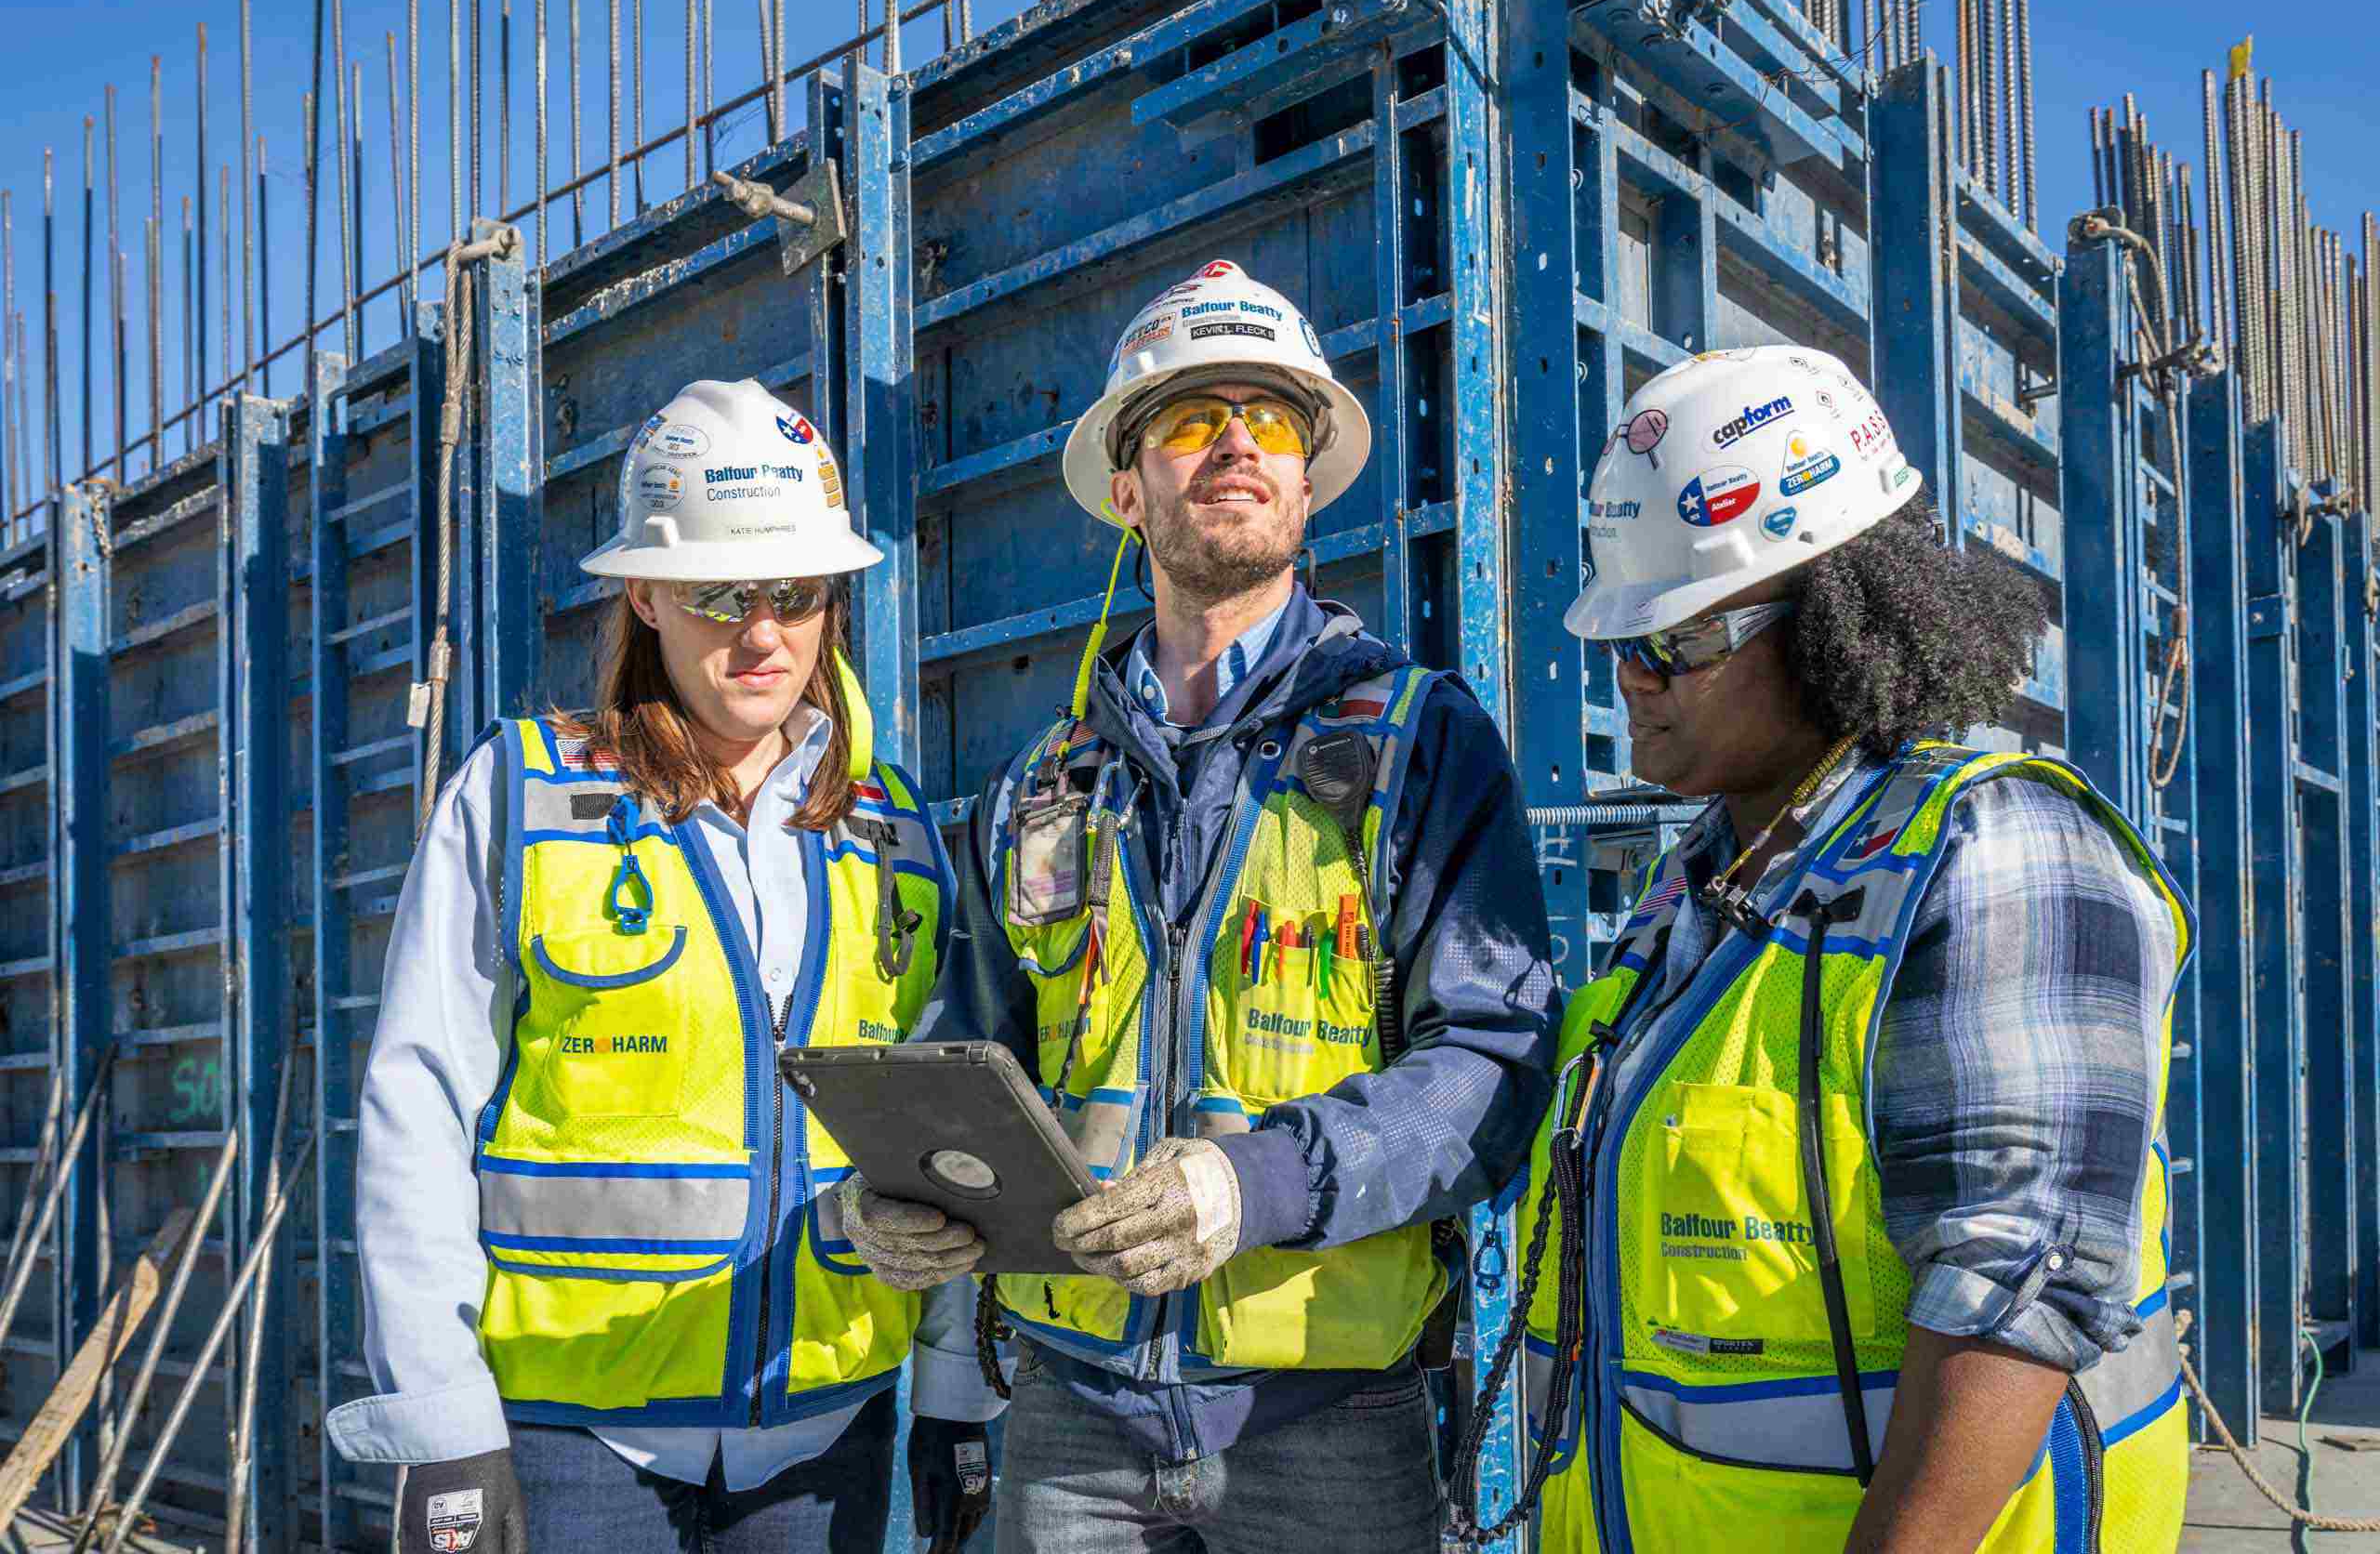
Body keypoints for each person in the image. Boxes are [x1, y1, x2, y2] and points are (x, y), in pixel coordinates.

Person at [833, 260, 1560, 1554]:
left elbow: (1496, 1066)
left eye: (1271, 419)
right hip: (1069, 1421)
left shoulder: (1418, 743)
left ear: (1306, 479)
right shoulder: (1041, 785)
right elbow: (978, 1064)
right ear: (1128, 488)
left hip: (1329, 1422)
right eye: (1187, 419)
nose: (1234, 441)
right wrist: (911, 1200)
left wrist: (1255, 1184)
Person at [1461, 347, 2192, 1553]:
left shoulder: (1993, 851)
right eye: (1624, 642)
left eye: (1682, 641)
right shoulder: (1697, 895)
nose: (1635, 678)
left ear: (1839, 612)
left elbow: (2015, 1294)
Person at [325, 379, 1003, 1554]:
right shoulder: (521, 799)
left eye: (793, 594)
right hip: (573, 1439)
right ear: (644, 593)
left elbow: (942, 1127)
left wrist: (955, 1393)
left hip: (829, 1434)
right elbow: (416, 1104)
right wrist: (442, 1425)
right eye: (717, 594)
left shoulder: (892, 832)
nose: (761, 633)